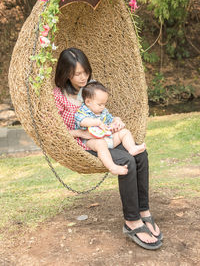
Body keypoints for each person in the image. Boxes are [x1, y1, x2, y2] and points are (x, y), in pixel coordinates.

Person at [54, 47, 163, 250]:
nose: (83, 77)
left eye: (85, 71)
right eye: (77, 74)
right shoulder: (58, 97)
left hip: (103, 135)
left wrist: (116, 121)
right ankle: (131, 221)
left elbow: (105, 114)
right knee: (126, 160)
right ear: (65, 73)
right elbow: (54, 132)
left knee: (140, 155)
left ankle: (143, 210)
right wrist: (81, 133)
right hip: (83, 144)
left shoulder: (91, 89)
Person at [74, 81, 146, 175]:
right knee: (100, 143)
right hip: (91, 141)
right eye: (100, 104)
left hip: (108, 138)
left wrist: (116, 122)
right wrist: (97, 122)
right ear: (88, 102)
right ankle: (112, 167)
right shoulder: (83, 111)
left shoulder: (103, 111)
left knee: (125, 132)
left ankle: (132, 148)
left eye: (104, 104)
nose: (102, 107)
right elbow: (82, 121)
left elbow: (111, 119)